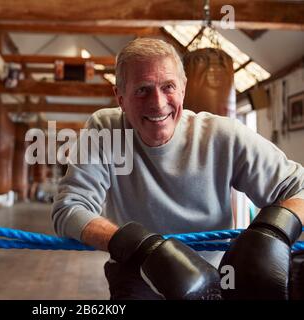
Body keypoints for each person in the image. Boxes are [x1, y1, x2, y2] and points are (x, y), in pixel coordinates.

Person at [51, 38, 304, 300]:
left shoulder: (223, 135)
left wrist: (275, 231)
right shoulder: (106, 129)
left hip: (214, 271)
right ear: (120, 98)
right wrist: (143, 247)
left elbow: (300, 188)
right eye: (142, 90)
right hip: (137, 273)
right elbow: (69, 209)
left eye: (168, 87)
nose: (158, 103)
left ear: (183, 89)